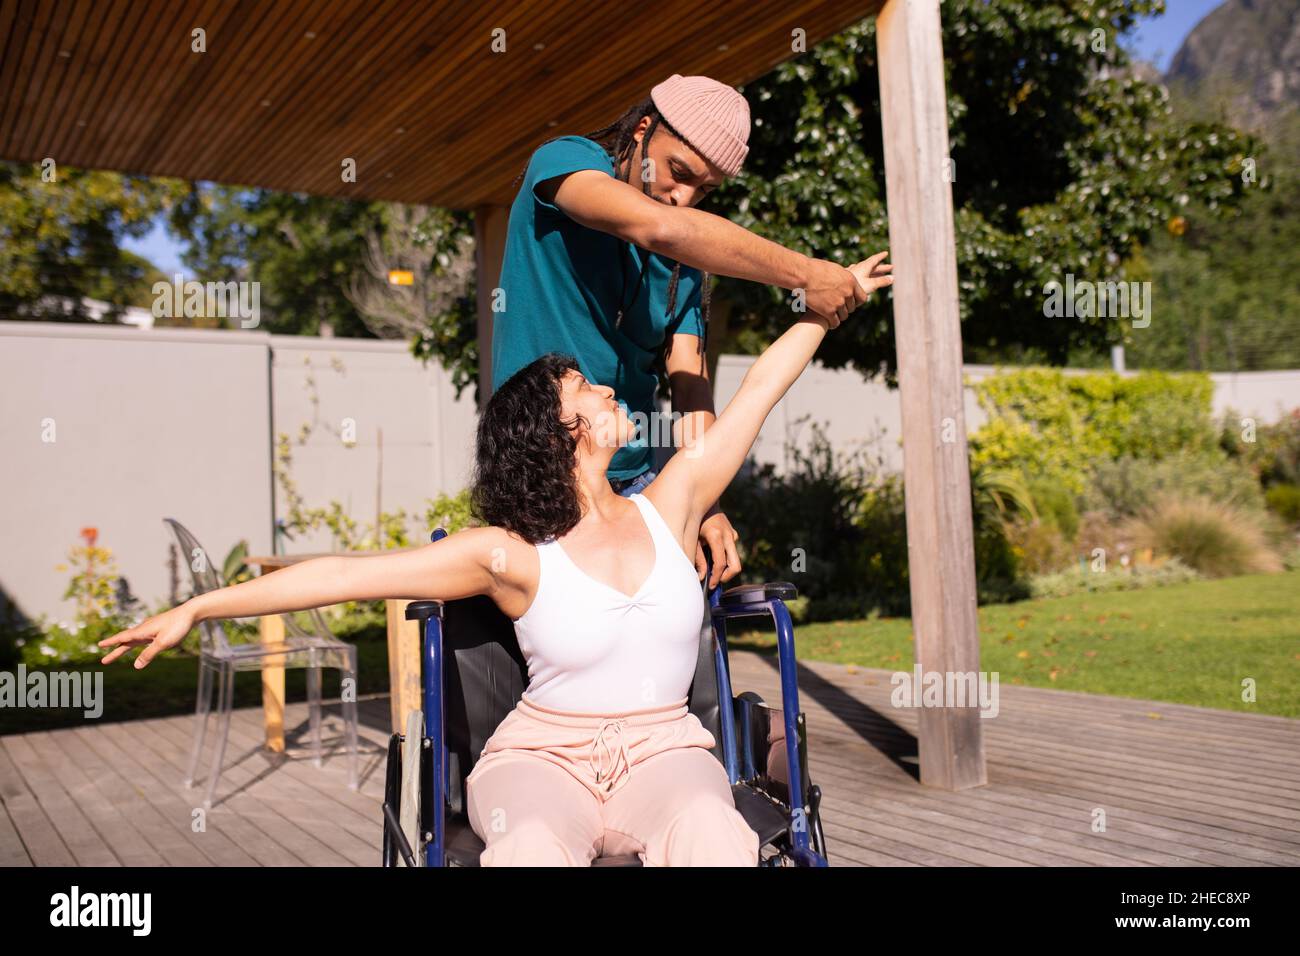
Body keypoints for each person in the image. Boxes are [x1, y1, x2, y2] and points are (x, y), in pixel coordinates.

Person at [97, 252, 892, 865]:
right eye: (585, 387)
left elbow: (758, 392)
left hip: (666, 751)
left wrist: (828, 306)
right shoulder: (509, 555)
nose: (609, 389)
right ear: (556, 433)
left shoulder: (673, 503)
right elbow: (346, 574)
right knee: (532, 846)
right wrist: (200, 606)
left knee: (715, 833)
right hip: (543, 760)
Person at [492, 73, 872, 590]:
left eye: (705, 189)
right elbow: (661, 227)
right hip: (537, 476)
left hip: (635, 484)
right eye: (678, 171)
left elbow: (690, 388)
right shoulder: (565, 163)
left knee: (678, 637)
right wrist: (809, 275)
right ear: (644, 128)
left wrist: (708, 503)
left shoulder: (683, 271)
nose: (684, 197)